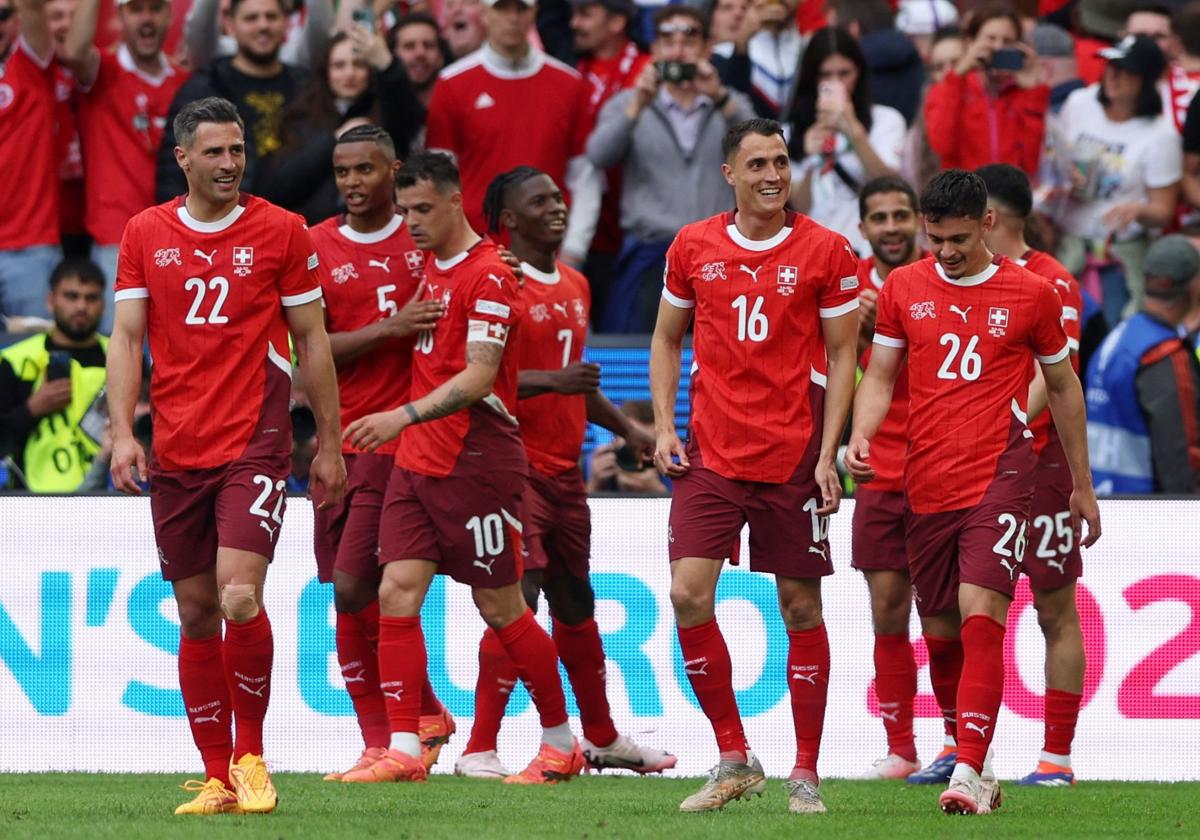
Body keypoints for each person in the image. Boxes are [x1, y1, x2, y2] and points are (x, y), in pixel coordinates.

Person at [106, 96, 347, 815]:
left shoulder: (281, 231)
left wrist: (329, 442)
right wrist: (123, 432)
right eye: (213, 152)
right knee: (194, 611)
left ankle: (251, 758)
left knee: (240, 594)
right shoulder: (145, 233)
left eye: (237, 150)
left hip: (254, 442)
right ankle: (216, 777)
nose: (228, 163)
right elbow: (124, 339)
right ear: (182, 159)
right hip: (177, 446)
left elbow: (312, 341)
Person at [847, 169, 1101, 816]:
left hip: (1002, 473)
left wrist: (1082, 485)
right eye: (937, 239)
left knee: (982, 611)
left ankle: (965, 770)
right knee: (938, 632)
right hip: (925, 476)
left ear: (987, 223)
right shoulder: (905, 286)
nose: (947, 251)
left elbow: (1065, 388)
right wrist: (862, 436)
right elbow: (879, 374)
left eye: (958, 238)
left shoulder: (1033, 293)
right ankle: (974, 759)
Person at [342, 151, 585, 786]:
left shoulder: (491, 277)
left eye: (422, 209)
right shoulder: (428, 264)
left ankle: (561, 743)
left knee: (502, 606)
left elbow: (480, 376)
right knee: (395, 592)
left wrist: (400, 416)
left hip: (476, 459)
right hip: (419, 461)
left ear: (455, 202)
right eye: (405, 211)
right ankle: (402, 747)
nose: (411, 223)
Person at [650, 118, 860, 814]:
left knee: (801, 607)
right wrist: (660, 425)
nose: (772, 174)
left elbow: (841, 360)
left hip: (795, 454)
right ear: (729, 175)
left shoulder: (829, 251)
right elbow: (665, 339)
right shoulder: (693, 245)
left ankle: (806, 772)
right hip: (711, 451)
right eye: (758, 163)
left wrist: (830, 454)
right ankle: (734, 756)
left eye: (781, 161)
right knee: (687, 594)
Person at [455, 166, 677, 778]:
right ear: (508, 220)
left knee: (576, 603)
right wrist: (556, 381)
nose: (557, 208)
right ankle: (480, 746)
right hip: (510, 470)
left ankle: (603, 738)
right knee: (516, 600)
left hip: (564, 476)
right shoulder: (497, 284)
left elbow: (574, 379)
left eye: (558, 198)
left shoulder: (576, 284)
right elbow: (472, 378)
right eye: (540, 201)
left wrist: (629, 428)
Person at [307, 125, 456, 781]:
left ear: (392, 171)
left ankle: (397, 736)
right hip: (343, 438)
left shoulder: (421, 239)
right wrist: (388, 330)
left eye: (365, 170)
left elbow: (473, 276)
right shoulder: (314, 246)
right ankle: (411, 721)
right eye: (342, 172)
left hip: (407, 440)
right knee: (348, 596)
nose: (351, 184)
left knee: (360, 588)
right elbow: (304, 352)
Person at [976, 162, 1088, 788]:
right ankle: (965, 749)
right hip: (979, 465)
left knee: (1053, 605)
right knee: (968, 604)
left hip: (1040, 464)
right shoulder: (964, 277)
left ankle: (1056, 757)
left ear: (990, 217)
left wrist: (1006, 423)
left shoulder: (1054, 282)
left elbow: (1057, 373)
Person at [587, 6, 755, 333]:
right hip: (652, 252)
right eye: (667, 39)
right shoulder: (627, 103)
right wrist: (638, 104)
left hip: (720, 252)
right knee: (646, 356)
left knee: (719, 356)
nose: (678, 50)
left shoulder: (728, 102)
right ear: (655, 50)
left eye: (690, 38)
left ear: (708, 47)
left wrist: (718, 96)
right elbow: (598, 155)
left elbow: (759, 146)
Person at [847, 176, 931, 782]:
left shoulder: (941, 278)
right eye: (880, 218)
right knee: (887, 610)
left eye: (902, 215)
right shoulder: (845, 285)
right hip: (877, 471)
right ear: (863, 228)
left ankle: (958, 741)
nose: (893, 227)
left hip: (942, 470)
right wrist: (855, 325)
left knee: (948, 613)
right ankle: (901, 748)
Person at [424, 0, 600, 266]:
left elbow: (584, 176)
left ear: (535, 12)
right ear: (484, 13)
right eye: (502, 8)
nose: (512, 18)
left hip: (549, 254)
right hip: (475, 252)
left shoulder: (569, 84)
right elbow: (439, 181)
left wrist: (574, 250)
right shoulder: (452, 84)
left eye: (521, 8)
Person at [60, 0, 187, 334]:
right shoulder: (103, 72)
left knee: (171, 359)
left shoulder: (186, 82)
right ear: (118, 17)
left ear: (169, 16)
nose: (146, 19)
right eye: (136, 9)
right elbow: (73, 52)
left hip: (178, 241)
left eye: (155, 8)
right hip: (116, 242)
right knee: (119, 358)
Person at [1052, 35, 1181, 325]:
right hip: (1066, 241)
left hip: (1115, 256)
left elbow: (1163, 211)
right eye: (1111, 65)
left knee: (1109, 330)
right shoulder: (1080, 102)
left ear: (1148, 81)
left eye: (1127, 70)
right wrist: (1061, 176)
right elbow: (1052, 155)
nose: (1114, 75)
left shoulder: (1161, 136)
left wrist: (1138, 210)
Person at [258, 28, 423, 224]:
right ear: (326, 71)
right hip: (315, 233)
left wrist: (388, 66)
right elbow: (280, 188)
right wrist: (335, 141)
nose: (349, 73)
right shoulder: (301, 118)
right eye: (339, 65)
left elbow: (408, 120)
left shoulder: (386, 114)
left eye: (359, 64)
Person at [156, 0, 309, 202]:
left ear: (286, 23)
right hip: (221, 222)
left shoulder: (308, 89)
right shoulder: (203, 88)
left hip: (297, 221)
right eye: (251, 18)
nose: (263, 25)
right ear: (230, 24)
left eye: (271, 17)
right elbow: (173, 171)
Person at [1086, 235, 1200, 494]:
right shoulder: (1164, 354)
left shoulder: (1117, 339)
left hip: (1103, 503)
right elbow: (1181, 458)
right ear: (1193, 286)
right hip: (1147, 512)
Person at [786, 26, 905, 256]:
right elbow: (801, 207)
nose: (835, 82)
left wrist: (853, 129)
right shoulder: (792, 132)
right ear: (811, 78)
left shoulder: (886, 120)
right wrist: (811, 157)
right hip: (816, 250)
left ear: (859, 73)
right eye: (825, 75)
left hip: (868, 249)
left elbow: (890, 185)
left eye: (844, 73)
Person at [568, 0, 648, 322]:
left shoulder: (646, 72)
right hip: (585, 227)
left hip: (631, 226)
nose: (575, 23)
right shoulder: (573, 72)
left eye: (585, 14)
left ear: (616, 22)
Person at [0, 258, 106, 492]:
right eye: (71, 296)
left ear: (104, 304)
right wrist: (32, 409)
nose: (81, 306)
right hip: (31, 497)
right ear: (50, 301)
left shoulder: (123, 356)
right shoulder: (16, 360)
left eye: (91, 298)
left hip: (111, 495)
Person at [923, 3, 1049, 176]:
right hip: (965, 194)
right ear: (970, 42)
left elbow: (1031, 163)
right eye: (990, 38)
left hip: (1008, 196)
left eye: (1008, 41)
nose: (998, 47)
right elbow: (942, 145)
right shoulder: (948, 88)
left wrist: (1033, 93)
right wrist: (958, 76)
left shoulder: (1026, 92)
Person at [0, 0, 60, 322]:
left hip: (29, 246)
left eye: (2, 15)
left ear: (18, 18)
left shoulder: (31, 64)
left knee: (34, 361)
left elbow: (35, 6)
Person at [587, 399, 668, 493]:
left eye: (647, 450)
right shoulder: (590, 465)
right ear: (614, 441)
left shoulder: (673, 468)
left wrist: (658, 490)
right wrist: (594, 485)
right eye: (633, 447)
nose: (638, 457)